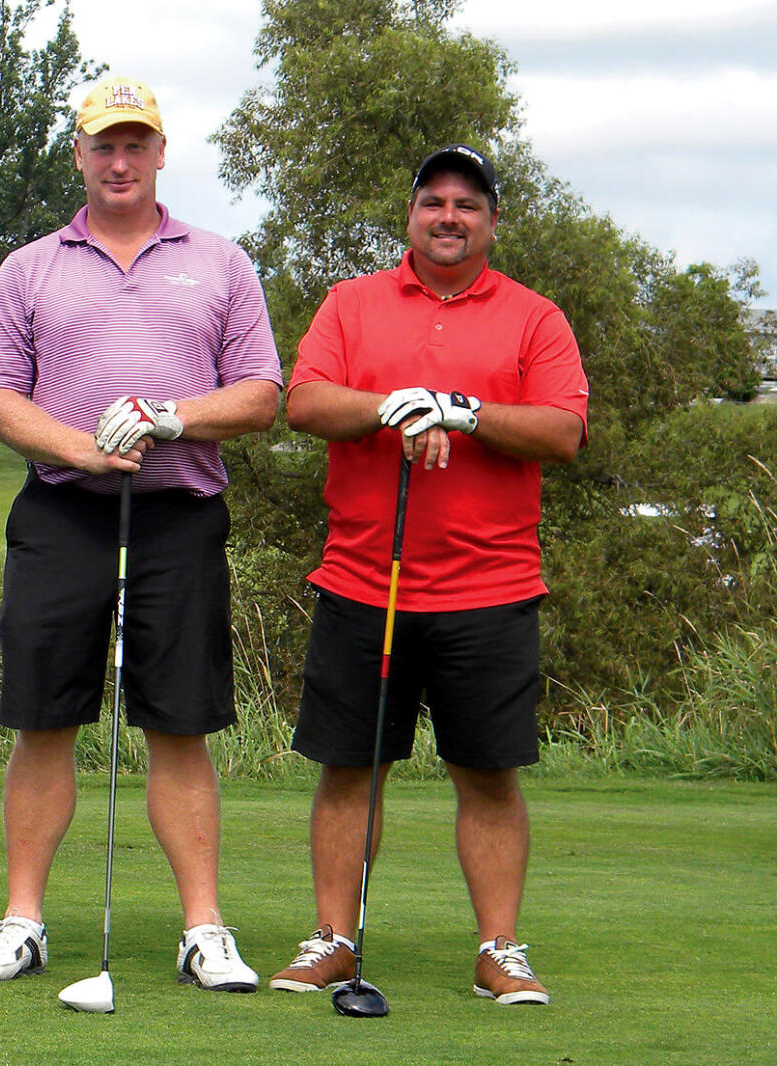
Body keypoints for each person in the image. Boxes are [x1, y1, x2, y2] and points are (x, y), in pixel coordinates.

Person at [0, 75, 282, 993]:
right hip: (63, 512)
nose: (120, 159)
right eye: (104, 144)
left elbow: (261, 394)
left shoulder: (219, 262)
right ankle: (23, 920)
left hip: (178, 515)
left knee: (179, 725)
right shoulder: (30, 267)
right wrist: (82, 448)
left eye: (135, 143)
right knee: (44, 719)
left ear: (161, 152)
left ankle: (204, 929)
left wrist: (171, 418)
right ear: (80, 154)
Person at [266, 144, 588, 1006]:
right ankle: (334, 937)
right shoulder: (352, 303)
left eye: (468, 204)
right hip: (364, 581)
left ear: (490, 221)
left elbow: (562, 430)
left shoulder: (533, 318)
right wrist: (393, 404)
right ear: (411, 214)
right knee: (349, 767)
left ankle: (500, 949)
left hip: (491, 587)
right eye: (434, 202)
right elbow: (304, 401)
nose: (450, 216)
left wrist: (463, 411)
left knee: (486, 773)